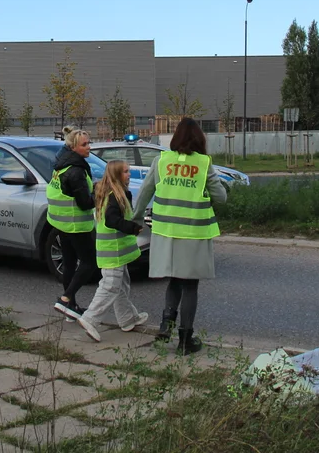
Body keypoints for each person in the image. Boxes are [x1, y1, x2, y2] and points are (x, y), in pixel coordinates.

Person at [132, 117, 226, 355]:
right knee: (190, 284)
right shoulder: (204, 164)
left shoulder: (161, 160)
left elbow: (144, 192)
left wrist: (136, 219)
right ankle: (186, 340)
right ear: (199, 139)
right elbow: (221, 197)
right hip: (194, 230)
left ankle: (166, 324)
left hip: (165, 230)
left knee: (174, 279)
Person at [75, 160, 148, 342]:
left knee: (121, 285)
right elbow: (111, 220)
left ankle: (128, 318)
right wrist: (133, 227)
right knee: (111, 285)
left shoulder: (110, 192)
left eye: (128, 171)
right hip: (112, 251)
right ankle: (90, 318)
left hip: (116, 250)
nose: (129, 174)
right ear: (116, 175)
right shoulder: (115, 196)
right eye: (125, 172)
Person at [47, 127, 97, 320]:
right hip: (76, 224)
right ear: (73, 147)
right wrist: (99, 195)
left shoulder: (61, 164)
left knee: (69, 264)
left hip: (61, 223)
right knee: (89, 263)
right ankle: (66, 299)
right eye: (84, 144)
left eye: (89, 143)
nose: (89, 147)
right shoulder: (76, 171)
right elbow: (85, 204)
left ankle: (71, 308)